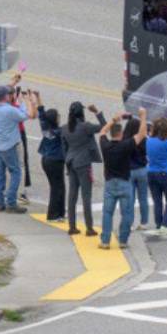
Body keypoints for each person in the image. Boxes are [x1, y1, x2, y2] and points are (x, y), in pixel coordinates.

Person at [98, 111, 146, 249]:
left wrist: (113, 119)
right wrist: (143, 116)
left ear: (111, 134)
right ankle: (123, 240)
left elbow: (102, 132)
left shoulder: (105, 146)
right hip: (124, 182)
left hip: (110, 183)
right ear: (121, 133)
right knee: (126, 213)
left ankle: (105, 241)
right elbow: (141, 134)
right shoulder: (126, 145)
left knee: (107, 213)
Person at [0, 84, 36, 213]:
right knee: (15, 172)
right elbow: (27, 115)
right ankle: (11, 202)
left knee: (0, 174)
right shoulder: (10, 110)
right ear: (6, 96)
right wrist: (25, 102)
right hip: (9, 146)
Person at [61, 101, 105, 236]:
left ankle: (72, 226)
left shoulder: (65, 128)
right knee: (86, 196)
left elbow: (64, 148)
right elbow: (104, 127)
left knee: (72, 196)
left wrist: (68, 161)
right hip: (84, 163)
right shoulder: (85, 127)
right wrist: (97, 112)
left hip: (71, 162)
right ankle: (89, 228)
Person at [145, 116, 167, 236]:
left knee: (157, 201)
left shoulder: (148, 141)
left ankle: (159, 225)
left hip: (151, 172)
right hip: (165, 173)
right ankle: (165, 225)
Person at [123, 116, 150, 233]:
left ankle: (130, 224)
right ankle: (144, 222)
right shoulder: (143, 139)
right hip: (142, 169)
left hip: (129, 171)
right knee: (143, 198)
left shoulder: (125, 140)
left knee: (130, 199)